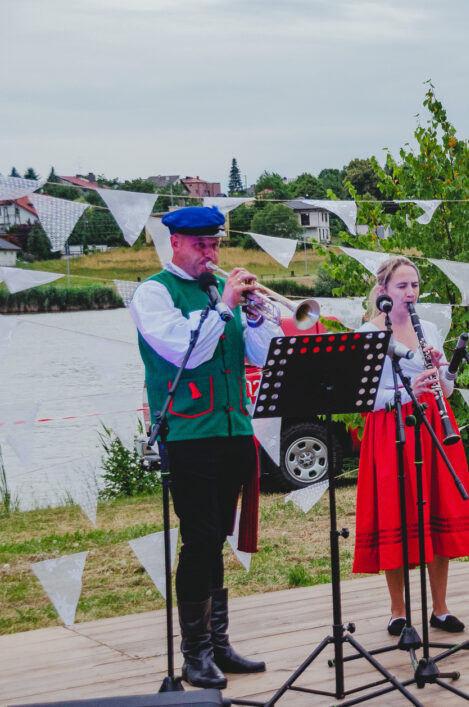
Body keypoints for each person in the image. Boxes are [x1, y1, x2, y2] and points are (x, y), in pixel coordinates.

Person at [130, 205, 278, 688]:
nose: (210, 254)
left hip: (233, 431)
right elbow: (184, 351)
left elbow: (263, 354)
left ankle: (217, 645)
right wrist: (226, 306)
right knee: (199, 539)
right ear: (175, 242)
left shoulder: (219, 292)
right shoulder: (154, 293)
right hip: (189, 434)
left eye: (215, 244)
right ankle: (195, 654)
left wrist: (255, 315)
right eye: (200, 245)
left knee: (215, 540)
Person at [351, 256, 469, 636]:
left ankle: (440, 608)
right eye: (402, 286)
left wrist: (442, 371)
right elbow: (367, 398)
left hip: (432, 425)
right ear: (383, 291)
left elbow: (446, 389)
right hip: (390, 426)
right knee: (396, 514)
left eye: (414, 286)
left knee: (437, 511)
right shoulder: (369, 333)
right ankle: (398, 611)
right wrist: (408, 390)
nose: (411, 293)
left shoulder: (429, 327)